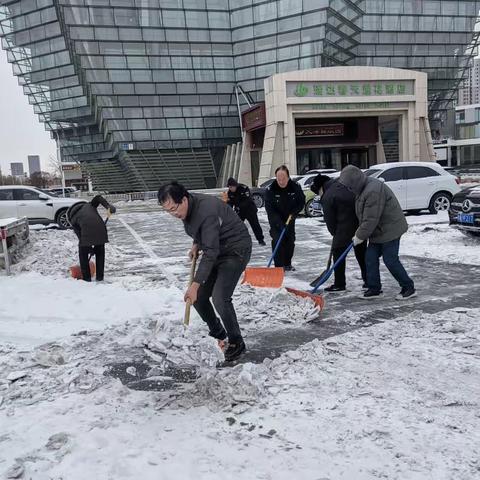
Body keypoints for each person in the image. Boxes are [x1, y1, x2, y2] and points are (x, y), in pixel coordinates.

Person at [157, 181, 252, 362]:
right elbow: (203, 234)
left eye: (174, 208)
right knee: (198, 297)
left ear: (184, 199)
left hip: (235, 250)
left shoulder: (205, 211)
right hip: (217, 248)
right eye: (168, 211)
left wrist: (195, 283)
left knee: (219, 297)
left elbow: (210, 251)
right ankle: (218, 333)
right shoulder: (190, 208)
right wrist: (196, 243)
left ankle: (236, 342)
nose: (173, 214)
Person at [338, 165, 416, 299]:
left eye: (349, 186)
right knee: (370, 258)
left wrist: (359, 236)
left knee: (390, 259)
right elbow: (365, 216)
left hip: (390, 229)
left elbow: (370, 219)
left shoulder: (372, 190)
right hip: (377, 231)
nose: (349, 189)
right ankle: (374, 288)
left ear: (355, 182)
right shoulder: (361, 189)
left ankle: (408, 287)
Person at [311, 174, 367, 292]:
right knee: (362, 255)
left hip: (343, 229)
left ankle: (339, 284)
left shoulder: (327, 196)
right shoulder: (341, 185)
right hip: (359, 226)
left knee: (338, 254)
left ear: (320, 187)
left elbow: (330, 220)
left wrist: (334, 233)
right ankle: (369, 281)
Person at [265, 165, 305, 271]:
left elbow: (301, 202)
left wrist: (294, 213)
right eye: (279, 179)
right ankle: (278, 266)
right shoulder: (270, 190)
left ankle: (287, 264)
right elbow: (270, 210)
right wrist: (278, 223)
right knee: (278, 240)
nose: (281, 181)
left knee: (290, 241)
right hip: (275, 221)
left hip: (290, 219)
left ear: (288, 177)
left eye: (283, 179)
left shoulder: (295, 187)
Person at [67, 195, 116, 282]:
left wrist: (89, 249)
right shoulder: (90, 205)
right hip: (101, 230)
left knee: (83, 252)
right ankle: (100, 278)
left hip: (86, 233)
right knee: (100, 252)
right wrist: (108, 206)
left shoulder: (73, 220)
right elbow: (98, 197)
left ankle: (86, 278)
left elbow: (81, 237)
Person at [226, 177, 265, 246]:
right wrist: (228, 209)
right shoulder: (230, 193)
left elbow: (248, 200)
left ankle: (260, 240)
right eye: (229, 187)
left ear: (235, 185)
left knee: (255, 225)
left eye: (232, 187)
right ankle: (236, 240)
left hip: (250, 210)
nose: (231, 188)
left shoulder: (244, 188)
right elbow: (230, 202)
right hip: (240, 212)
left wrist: (238, 206)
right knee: (237, 225)